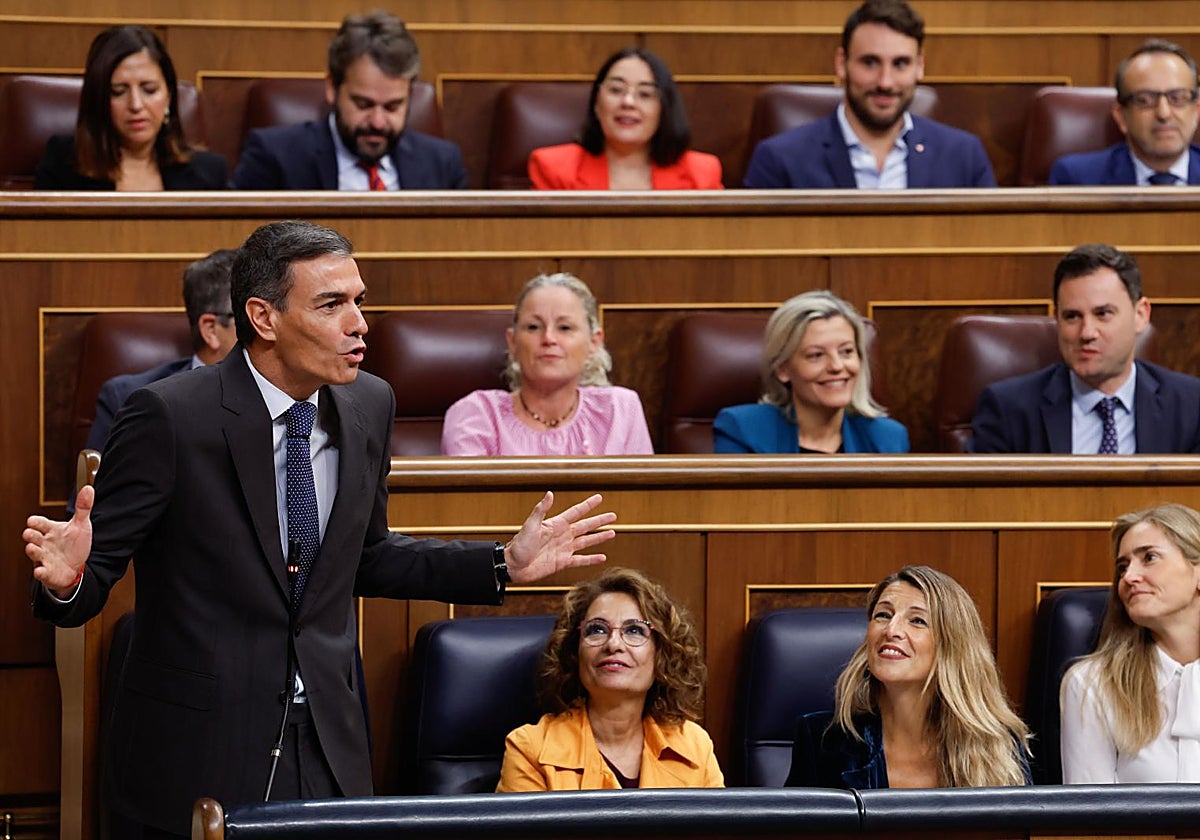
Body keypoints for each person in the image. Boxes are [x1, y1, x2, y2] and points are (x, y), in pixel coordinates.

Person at [23, 220, 616, 838]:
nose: (359, 322)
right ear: (263, 316)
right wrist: (66, 580)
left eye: (359, 300)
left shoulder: (369, 404)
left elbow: (367, 557)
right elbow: (82, 594)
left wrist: (502, 564)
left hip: (329, 741)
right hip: (200, 747)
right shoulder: (171, 416)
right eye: (332, 304)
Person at [786, 565, 1030, 789]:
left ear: (952, 647)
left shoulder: (997, 745)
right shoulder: (824, 740)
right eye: (883, 615)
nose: (891, 630)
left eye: (917, 620)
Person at [496, 567, 723, 790]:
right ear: (575, 653)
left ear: (662, 654)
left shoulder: (695, 746)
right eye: (597, 630)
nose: (613, 644)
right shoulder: (530, 749)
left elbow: (718, 828)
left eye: (634, 630)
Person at [971, 243, 1200, 454]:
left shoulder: (1191, 406)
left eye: (1103, 314)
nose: (1087, 333)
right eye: (1072, 316)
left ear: (1140, 315)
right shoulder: (1008, 410)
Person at [742, 0, 995, 189]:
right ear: (842, 63)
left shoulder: (964, 156)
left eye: (900, 64)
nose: (885, 82)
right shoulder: (779, 159)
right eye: (870, 62)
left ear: (920, 67)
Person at [232, 11, 466, 190]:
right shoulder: (275, 157)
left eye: (392, 106)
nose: (378, 122)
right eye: (363, 104)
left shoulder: (442, 164)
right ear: (332, 88)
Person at [1060, 503, 1200, 783]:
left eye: (1149, 557)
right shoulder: (1091, 685)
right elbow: (1091, 817)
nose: (1129, 577)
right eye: (1122, 567)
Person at [441, 273, 653, 456]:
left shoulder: (621, 410)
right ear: (512, 342)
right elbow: (470, 503)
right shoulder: (475, 414)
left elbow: (641, 501)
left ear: (594, 342)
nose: (549, 338)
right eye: (533, 327)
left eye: (565, 327)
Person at [85, 248, 239, 455]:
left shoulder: (288, 398)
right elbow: (97, 486)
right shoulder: (128, 398)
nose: (268, 329)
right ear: (211, 330)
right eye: (252, 317)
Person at [713, 291, 908, 454]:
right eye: (816, 355)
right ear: (783, 369)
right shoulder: (742, 430)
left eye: (846, 351)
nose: (837, 366)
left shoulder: (888, 438)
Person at [35, 25, 226, 191]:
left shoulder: (209, 173)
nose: (136, 105)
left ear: (168, 96)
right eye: (118, 92)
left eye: (149, 90)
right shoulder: (63, 165)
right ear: (99, 99)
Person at [528, 47, 722, 190]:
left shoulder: (701, 174)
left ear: (664, 109)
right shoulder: (554, 169)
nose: (628, 102)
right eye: (616, 90)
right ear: (596, 103)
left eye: (645, 94)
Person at [1050, 40, 1200, 186]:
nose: (1163, 113)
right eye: (1144, 100)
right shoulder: (1077, 178)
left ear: (1196, 111)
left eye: (1177, 98)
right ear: (1121, 115)